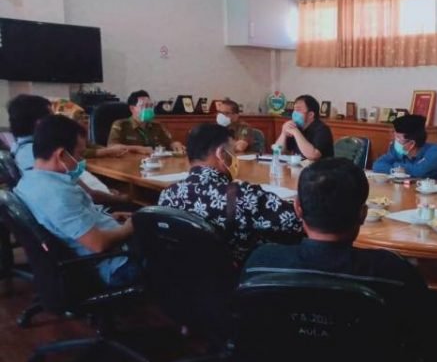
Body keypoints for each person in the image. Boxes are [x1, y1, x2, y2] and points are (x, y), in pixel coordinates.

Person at [244, 157, 435, 358]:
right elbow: (422, 342)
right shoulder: (395, 274)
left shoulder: (260, 264)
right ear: (363, 214)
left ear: (297, 208)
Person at [14, 115, 139, 286]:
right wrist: (130, 227)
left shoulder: (29, 181)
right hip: (117, 264)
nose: (81, 161)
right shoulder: (58, 194)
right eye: (79, 155)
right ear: (61, 154)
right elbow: (98, 244)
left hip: (108, 247)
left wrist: (109, 217)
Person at [158, 124, 303, 264]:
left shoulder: (167, 194)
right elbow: (296, 221)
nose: (235, 158)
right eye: (233, 152)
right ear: (221, 154)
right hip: (237, 274)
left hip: (182, 274)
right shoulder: (242, 195)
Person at [6, 94, 138, 207]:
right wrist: (123, 199)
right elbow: (89, 194)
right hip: (92, 208)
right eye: (52, 117)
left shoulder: (23, 147)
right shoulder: (35, 155)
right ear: (40, 124)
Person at [108, 90, 185, 152]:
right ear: (132, 108)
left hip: (155, 163)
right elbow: (112, 147)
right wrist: (137, 149)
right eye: (144, 106)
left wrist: (175, 144)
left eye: (150, 106)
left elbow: (169, 143)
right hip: (129, 163)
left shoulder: (157, 125)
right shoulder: (121, 125)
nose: (148, 109)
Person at [372, 114, 437, 179]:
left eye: (398, 138)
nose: (395, 141)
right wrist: (395, 170)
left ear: (411, 143)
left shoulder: (435, 151)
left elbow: (419, 172)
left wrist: (397, 166)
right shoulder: (397, 151)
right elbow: (377, 165)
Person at [273, 94, 333, 161]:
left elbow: (313, 155)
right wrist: (283, 133)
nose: (294, 113)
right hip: (298, 166)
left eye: (298, 110)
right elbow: (278, 151)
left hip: (320, 167)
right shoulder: (297, 127)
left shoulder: (322, 130)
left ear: (310, 115)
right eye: (294, 110)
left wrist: (296, 132)